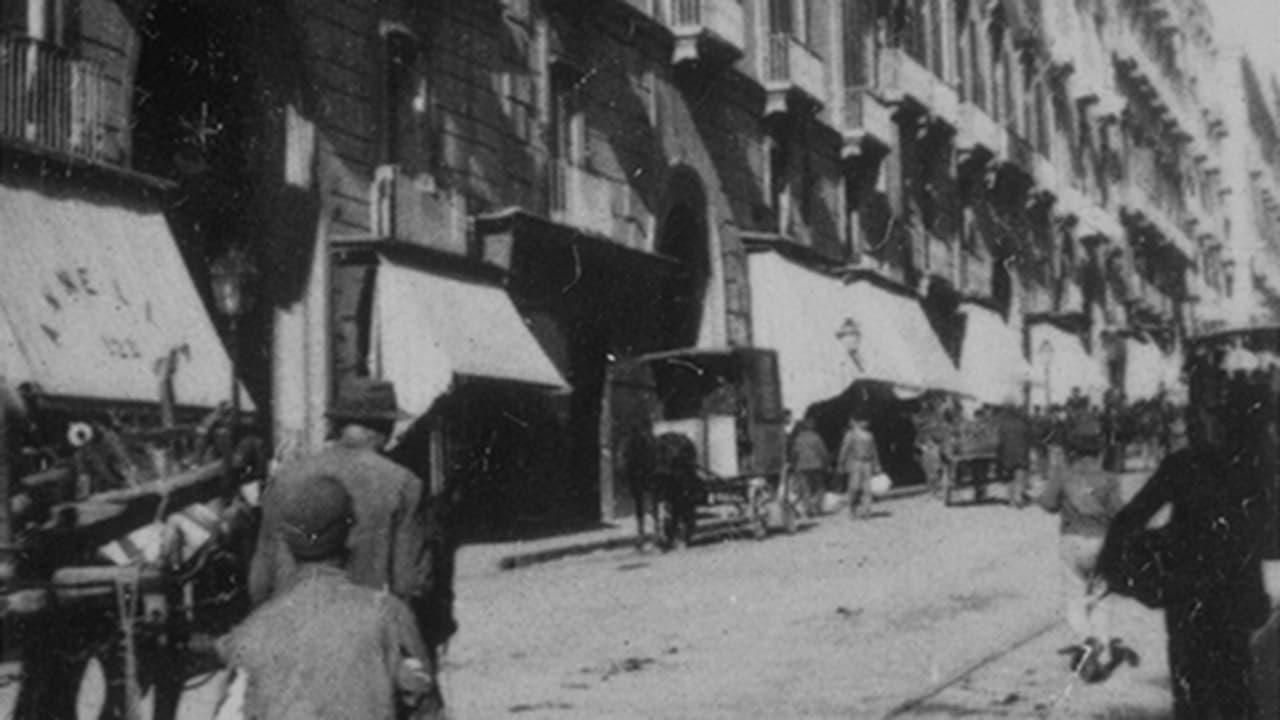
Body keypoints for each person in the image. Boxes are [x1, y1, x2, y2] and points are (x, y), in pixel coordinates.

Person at [249, 379, 444, 684]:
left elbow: (259, 581)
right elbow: (411, 584)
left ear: (339, 425)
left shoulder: (286, 479)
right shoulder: (403, 484)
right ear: (382, 430)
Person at [1099, 395, 1272, 718]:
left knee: (1190, 688)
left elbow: (1128, 519)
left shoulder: (1181, 464)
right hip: (1236, 595)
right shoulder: (1254, 469)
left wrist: (1114, 569)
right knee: (1236, 688)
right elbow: (1271, 542)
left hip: (1186, 595)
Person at [219, 473, 442, 719]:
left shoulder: (252, 633)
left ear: (286, 541)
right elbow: (427, 710)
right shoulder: (387, 615)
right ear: (350, 531)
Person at [1037, 414, 1134, 681]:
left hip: (1072, 541)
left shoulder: (1063, 474)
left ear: (1072, 449)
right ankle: (1102, 656)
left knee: (1074, 597)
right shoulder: (1110, 479)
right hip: (1103, 542)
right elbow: (1120, 514)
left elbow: (1047, 504)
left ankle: (1085, 637)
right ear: (1100, 448)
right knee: (1103, 599)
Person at [838, 416, 880, 520]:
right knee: (854, 487)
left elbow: (874, 450)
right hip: (855, 462)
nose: (866, 422)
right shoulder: (850, 435)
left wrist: (877, 464)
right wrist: (841, 463)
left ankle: (866, 511)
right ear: (856, 422)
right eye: (863, 420)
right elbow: (844, 450)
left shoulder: (869, 435)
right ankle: (852, 509)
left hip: (867, 462)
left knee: (867, 488)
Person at [788, 416, 831, 517]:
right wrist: (827, 464)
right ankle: (817, 507)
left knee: (805, 488)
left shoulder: (798, 439)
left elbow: (794, 453)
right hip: (816, 465)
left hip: (802, 466)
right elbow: (823, 452)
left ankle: (808, 510)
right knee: (820, 487)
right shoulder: (816, 437)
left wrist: (793, 464)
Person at [994, 404, 1032, 509]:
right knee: (1019, 477)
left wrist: (999, 455)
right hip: (1021, 454)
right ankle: (1019, 498)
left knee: (1010, 478)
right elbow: (1028, 440)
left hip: (1008, 455)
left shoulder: (1003, 425)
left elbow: (1000, 442)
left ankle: (1011, 501)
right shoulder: (1023, 425)